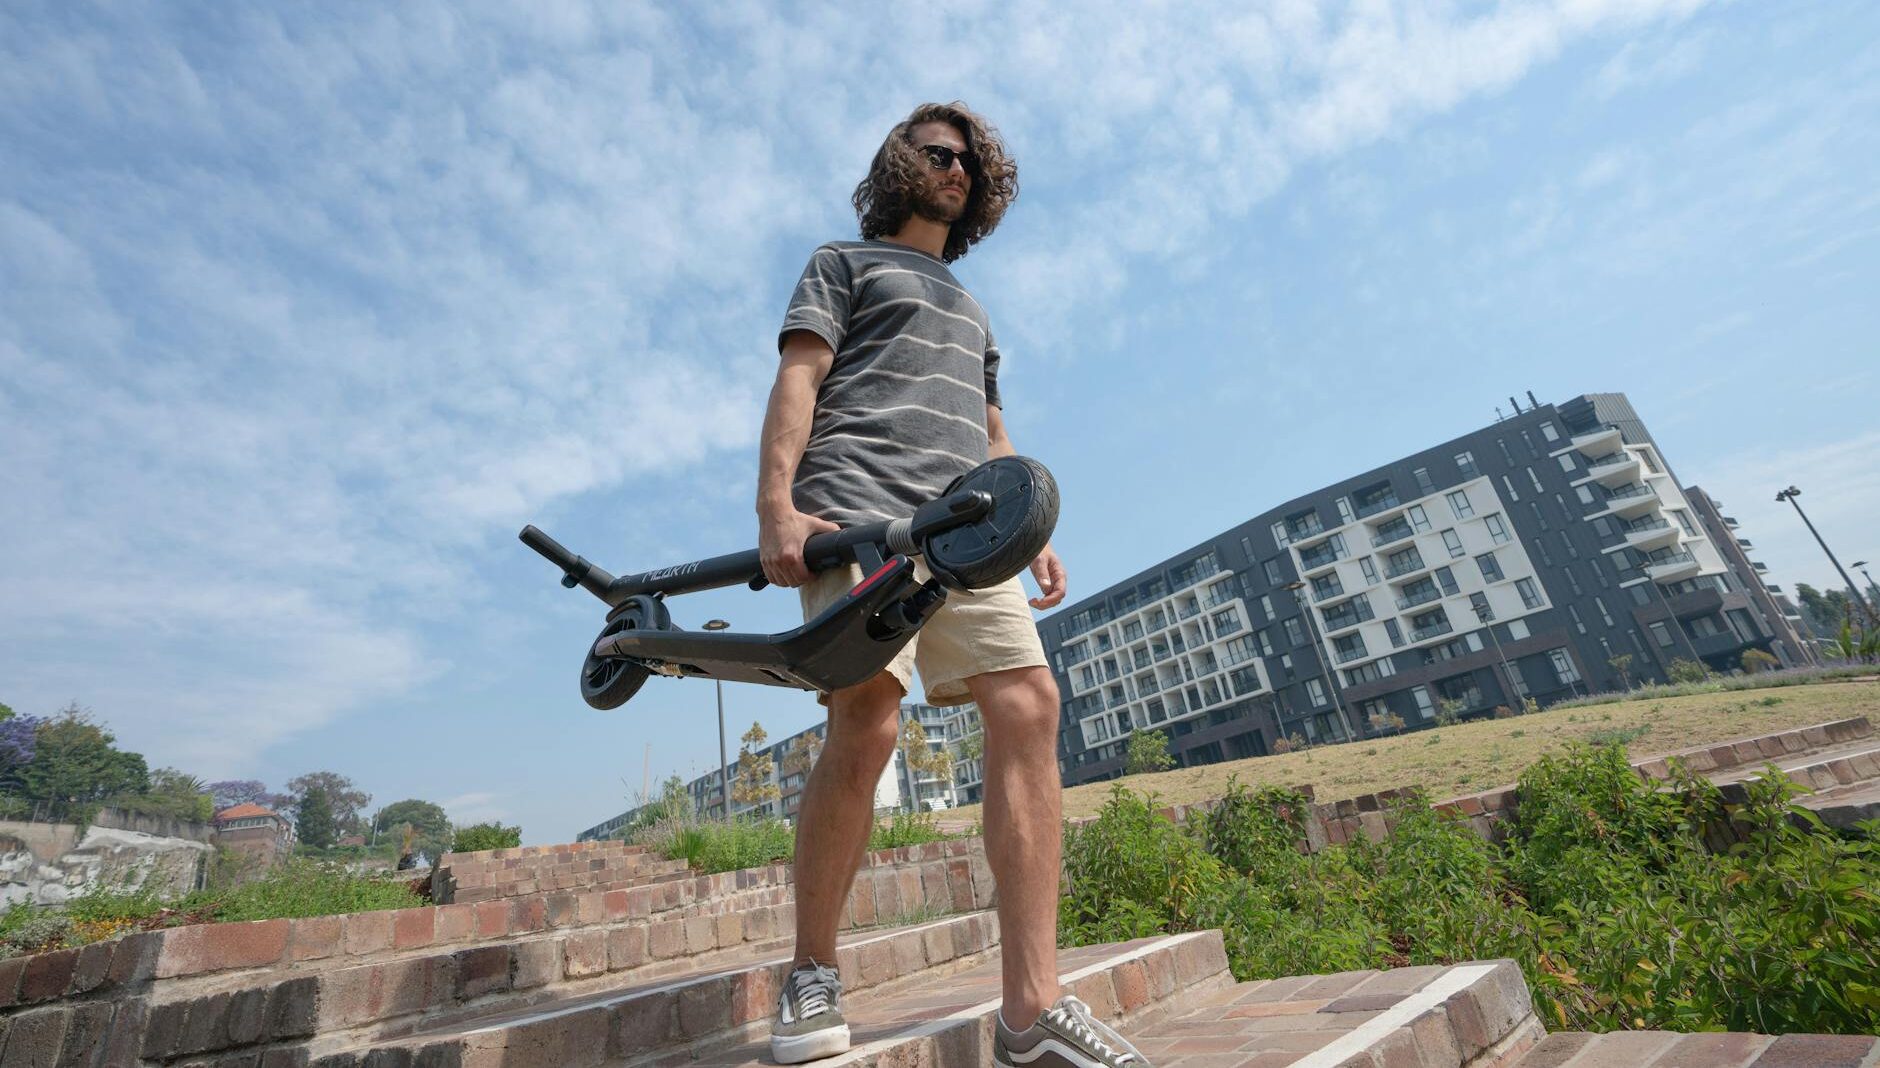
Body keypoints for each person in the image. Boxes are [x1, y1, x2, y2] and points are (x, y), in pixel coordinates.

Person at [755, 102, 1150, 1068]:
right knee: (869, 717)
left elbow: (993, 436)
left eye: (971, 162)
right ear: (899, 164)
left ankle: (1031, 1013)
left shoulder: (972, 311)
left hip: (969, 534)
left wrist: (1031, 528)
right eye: (939, 155)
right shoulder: (840, 265)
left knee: (1028, 703)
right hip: (858, 511)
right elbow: (799, 381)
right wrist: (776, 509)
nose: (957, 170)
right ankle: (812, 973)